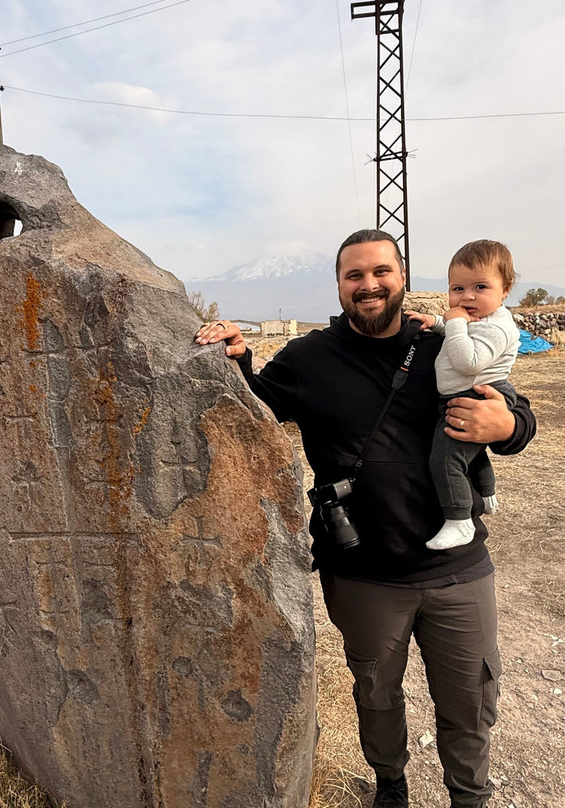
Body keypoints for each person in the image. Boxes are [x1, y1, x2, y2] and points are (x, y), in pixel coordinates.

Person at [195, 229, 537, 808]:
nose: (369, 285)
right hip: (363, 573)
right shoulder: (308, 358)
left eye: (381, 271)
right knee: (376, 693)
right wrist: (238, 354)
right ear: (339, 285)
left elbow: (514, 413)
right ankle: (390, 787)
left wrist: (506, 428)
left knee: (469, 702)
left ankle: (469, 797)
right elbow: (255, 408)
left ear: (402, 276)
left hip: (458, 570)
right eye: (354, 275)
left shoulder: (444, 342)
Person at [404, 240, 520, 551]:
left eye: (480, 287)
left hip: (479, 396)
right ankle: (486, 489)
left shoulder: (498, 328)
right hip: (463, 394)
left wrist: (452, 323)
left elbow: (468, 362)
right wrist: (438, 323)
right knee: (470, 448)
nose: (466, 296)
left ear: (505, 289)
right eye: (457, 288)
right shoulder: (480, 319)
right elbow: (465, 329)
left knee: (445, 457)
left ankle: (459, 520)